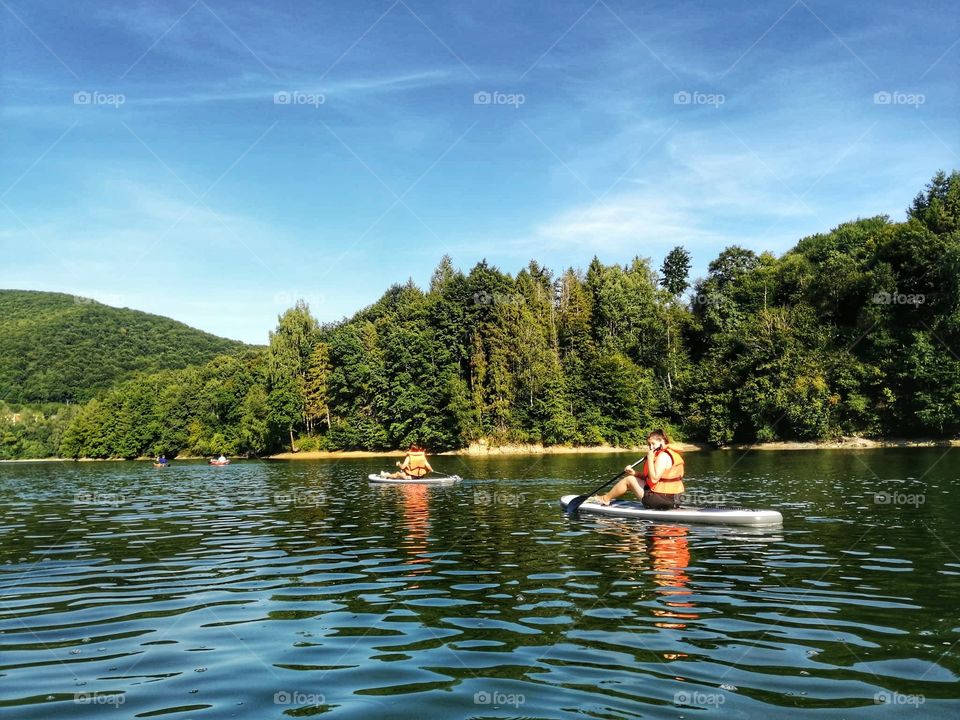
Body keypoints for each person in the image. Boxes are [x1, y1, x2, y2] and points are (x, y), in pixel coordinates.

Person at [592, 429, 684, 509]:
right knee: (632, 477)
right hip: (675, 500)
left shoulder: (663, 456)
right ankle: (606, 498)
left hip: (662, 501)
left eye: (653, 444)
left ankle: (605, 499)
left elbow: (654, 479)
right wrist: (635, 473)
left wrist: (650, 459)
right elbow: (652, 477)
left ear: (662, 441)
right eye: (649, 444)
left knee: (629, 480)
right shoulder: (670, 453)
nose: (651, 447)